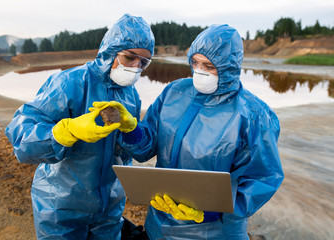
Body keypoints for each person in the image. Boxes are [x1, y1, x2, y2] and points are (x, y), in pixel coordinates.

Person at [95, 24, 284, 239]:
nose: (199, 71)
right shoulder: (175, 92)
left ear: (229, 67)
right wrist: (132, 130)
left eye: (209, 66)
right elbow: (146, 146)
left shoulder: (253, 115)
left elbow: (264, 177)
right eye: (195, 62)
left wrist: (212, 212)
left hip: (213, 232)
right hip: (159, 225)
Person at [5, 13, 154, 240]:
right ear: (111, 50)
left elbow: (134, 154)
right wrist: (67, 131)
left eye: (143, 62)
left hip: (108, 210)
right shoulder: (70, 83)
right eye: (129, 57)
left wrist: (132, 131)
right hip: (60, 207)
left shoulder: (131, 95)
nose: (135, 67)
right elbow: (21, 136)